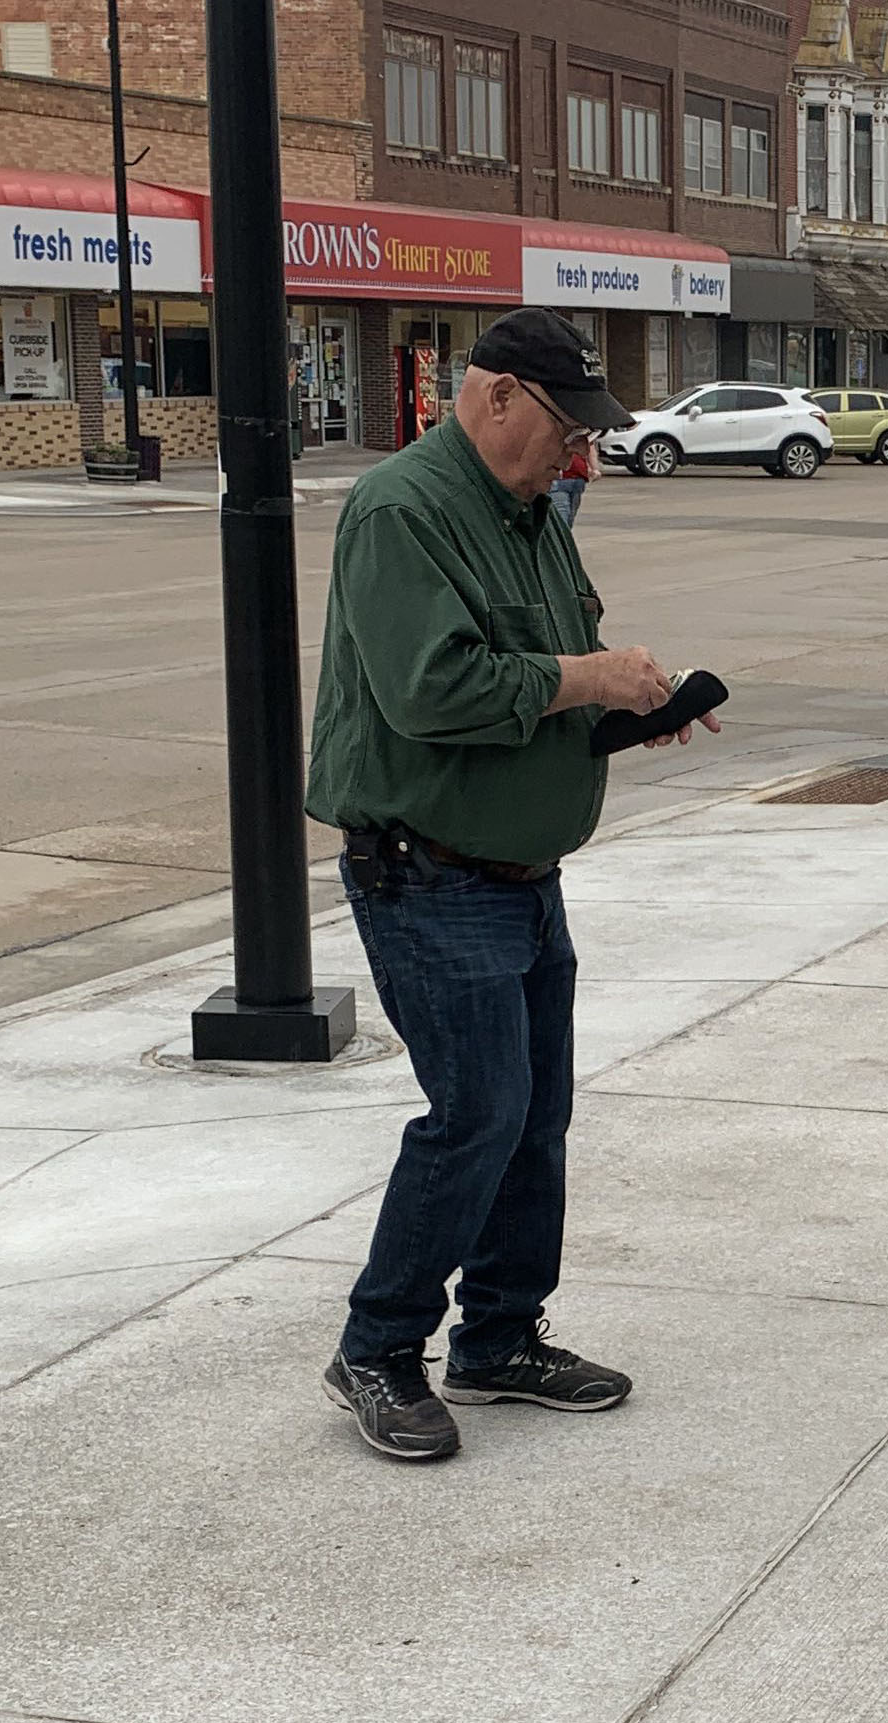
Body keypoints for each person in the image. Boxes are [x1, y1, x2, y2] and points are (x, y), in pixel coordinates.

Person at [304, 308, 716, 1463]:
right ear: (491, 398)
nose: (579, 453)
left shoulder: (530, 513)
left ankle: (497, 1338)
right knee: (476, 1116)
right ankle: (378, 1346)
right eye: (565, 427)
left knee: (535, 1117)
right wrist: (590, 673)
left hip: (521, 873)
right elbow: (433, 690)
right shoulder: (402, 510)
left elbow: (533, 691)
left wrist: (631, 709)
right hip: (429, 875)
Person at [547, 426, 595, 530]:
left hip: (578, 478)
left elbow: (590, 447)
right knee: (562, 517)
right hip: (560, 479)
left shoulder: (583, 428)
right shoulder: (556, 428)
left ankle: (564, 541)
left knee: (569, 518)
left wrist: (594, 468)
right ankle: (562, 542)